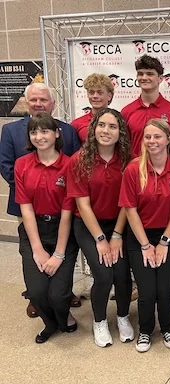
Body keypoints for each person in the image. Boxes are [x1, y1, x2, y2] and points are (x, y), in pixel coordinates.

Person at [0, 82, 81, 318]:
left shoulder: (68, 130)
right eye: (34, 100)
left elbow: (75, 164)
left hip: (60, 203)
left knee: (62, 248)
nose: (38, 104)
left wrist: (50, 187)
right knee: (32, 249)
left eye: (43, 100)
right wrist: (33, 186)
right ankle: (36, 296)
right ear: (27, 102)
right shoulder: (11, 130)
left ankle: (64, 291)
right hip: (25, 203)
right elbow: (5, 165)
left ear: (52, 104)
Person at [119, 119, 170, 353]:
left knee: (164, 289)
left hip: (169, 236)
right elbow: (130, 210)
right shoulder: (133, 169)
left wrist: (163, 243)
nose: (152, 141)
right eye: (147, 137)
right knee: (147, 290)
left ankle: (168, 328)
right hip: (139, 236)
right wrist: (145, 245)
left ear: (169, 139)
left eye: (157, 136)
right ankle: (145, 331)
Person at [67, 108, 134, 348]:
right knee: (104, 275)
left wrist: (116, 234)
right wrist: (100, 239)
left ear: (121, 132)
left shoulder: (128, 159)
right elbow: (82, 206)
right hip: (88, 225)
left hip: (119, 223)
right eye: (102, 125)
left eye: (112, 126)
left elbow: (129, 202)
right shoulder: (79, 159)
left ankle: (123, 316)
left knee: (123, 274)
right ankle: (100, 321)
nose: (106, 131)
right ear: (93, 128)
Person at [14, 112, 80, 343]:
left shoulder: (70, 164)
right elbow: (27, 210)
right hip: (34, 231)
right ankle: (51, 323)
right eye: (34, 131)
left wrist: (59, 254)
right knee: (38, 292)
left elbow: (67, 213)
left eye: (45, 131)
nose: (39, 136)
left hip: (64, 231)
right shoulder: (21, 164)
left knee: (59, 294)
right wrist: (38, 249)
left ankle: (64, 317)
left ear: (56, 133)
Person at [121, 55, 170, 157]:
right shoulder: (126, 112)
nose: (144, 78)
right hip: (135, 170)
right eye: (140, 74)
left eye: (150, 74)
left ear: (160, 79)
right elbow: (122, 147)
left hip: (165, 171)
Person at [71, 73, 115, 143]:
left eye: (100, 93)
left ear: (109, 96)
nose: (95, 96)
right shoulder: (77, 124)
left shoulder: (118, 121)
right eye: (91, 92)